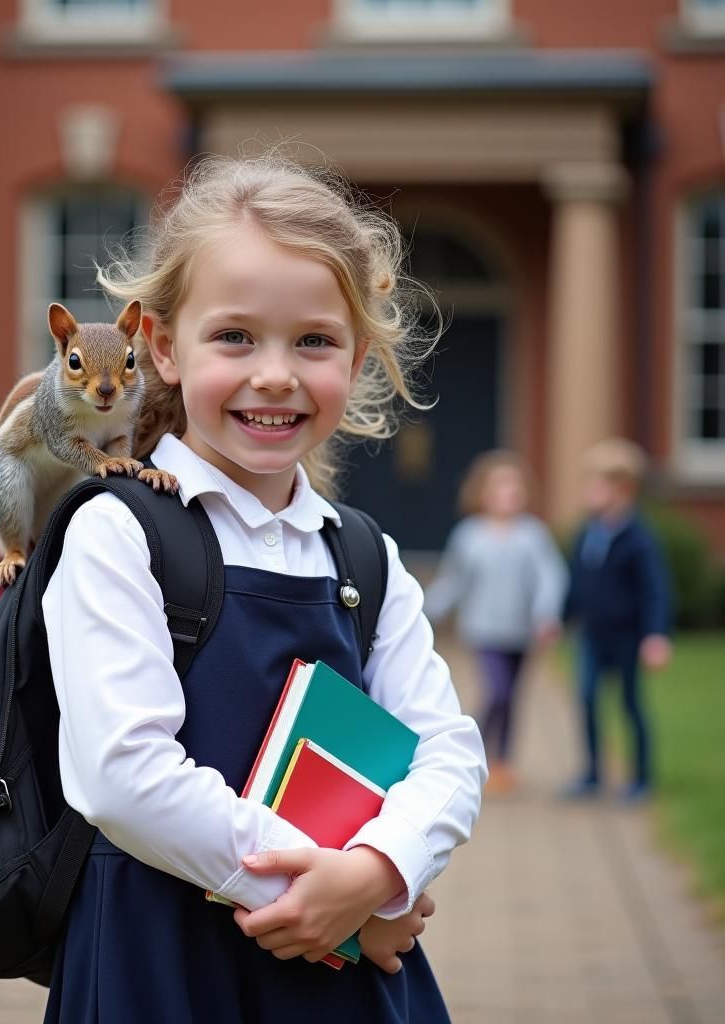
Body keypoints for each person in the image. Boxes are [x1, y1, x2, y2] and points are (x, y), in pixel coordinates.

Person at [40, 154, 487, 1023]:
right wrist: (323, 896)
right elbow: (123, 775)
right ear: (162, 348)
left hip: (343, 982)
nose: (276, 373)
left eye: (314, 340)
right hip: (160, 965)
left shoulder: (365, 557)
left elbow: (449, 751)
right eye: (235, 337)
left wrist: (379, 873)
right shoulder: (117, 532)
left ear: (357, 357)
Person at [424, 451, 567, 794]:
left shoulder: (532, 535)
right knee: (497, 692)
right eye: (500, 487)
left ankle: (503, 762)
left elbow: (551, 576)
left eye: (514, 487)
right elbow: (453, 580)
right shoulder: (469, 535)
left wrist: (547, 614)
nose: (508, 494)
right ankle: (474, 750)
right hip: (482, 631)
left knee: (512, 697)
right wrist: (426, 611)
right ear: (484, 493)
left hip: (521, 632)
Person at [562, 438, 673, 803]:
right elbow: (577, 583)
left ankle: (641, 778)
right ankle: (592, 774)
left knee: (630, 704)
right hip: (593, 635)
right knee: (587, 697)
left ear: (623, 490)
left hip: (627, 636)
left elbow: (655, 590)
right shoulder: (587, 533)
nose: (588, 492)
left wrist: (655, 635)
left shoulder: (639, 539)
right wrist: (560, 617)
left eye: (597, 485)